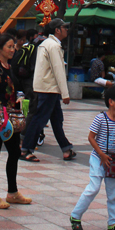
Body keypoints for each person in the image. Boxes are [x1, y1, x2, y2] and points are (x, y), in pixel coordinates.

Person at [70, 85, 115, 230]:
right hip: (98, 158)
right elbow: (91, 137)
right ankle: (75, 216)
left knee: (113, 193)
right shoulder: (100, 118)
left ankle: (113, 222)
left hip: (113, 161)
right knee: (94, 187)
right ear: (111, 101)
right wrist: (101, 155)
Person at [0, 33, 32, 209]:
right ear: (0, 48)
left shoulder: (10, 65)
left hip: (10, 117)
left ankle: (12, 192)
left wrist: (19, 98)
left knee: (14, 152)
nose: (13, 49)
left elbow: (14, 88)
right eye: (9, 46)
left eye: (14, 46)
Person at [21, 18, 75, 162]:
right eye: (64, 27)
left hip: (46, 87)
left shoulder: (47, 44)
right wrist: (65, 93)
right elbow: (58, 71)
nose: (66, 30)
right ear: (57, 30)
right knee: (39, 119)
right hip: (49, 89)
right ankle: (26, 149)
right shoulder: (53, 46)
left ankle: (66, 149)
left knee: (56, 120)